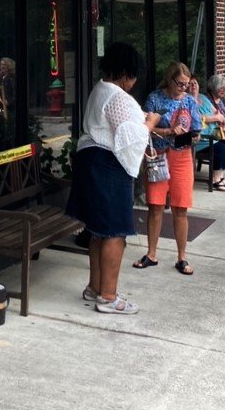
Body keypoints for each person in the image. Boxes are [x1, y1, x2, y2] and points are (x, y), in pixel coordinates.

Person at [66, 41, 159, 314]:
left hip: (90, 160)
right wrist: (150, 123)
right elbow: (131, 135)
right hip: (108, 165)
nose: (133, 81)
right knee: (116, 231)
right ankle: (108, 296)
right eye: (132, 75)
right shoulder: (118, 96)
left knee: (97, 229)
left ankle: (95, 287)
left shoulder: (99, 90)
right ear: (125, 72)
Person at [136, 62, 202, 276]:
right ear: (170, 79)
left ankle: (182, 257)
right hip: (158, 155)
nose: (183, 88)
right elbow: (145, 128)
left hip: (182, 157)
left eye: (187, 84)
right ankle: (151, 253)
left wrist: (189, 136)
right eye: (180, 83)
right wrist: (169, 132)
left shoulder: (190, 102)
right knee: (155, 205)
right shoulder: (155, 98)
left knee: (180, 207)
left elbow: (197, 132)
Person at [191, 74, 225, 191]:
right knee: (221, 148)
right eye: (190, 83)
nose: (193, 85)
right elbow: (195, 119)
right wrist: (214, 119)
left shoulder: (203, 99)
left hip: (212, 137)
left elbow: (219, 114)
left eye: (195, 83)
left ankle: (220, 177)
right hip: (200, 140)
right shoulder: (187, 100)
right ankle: (215, 179)